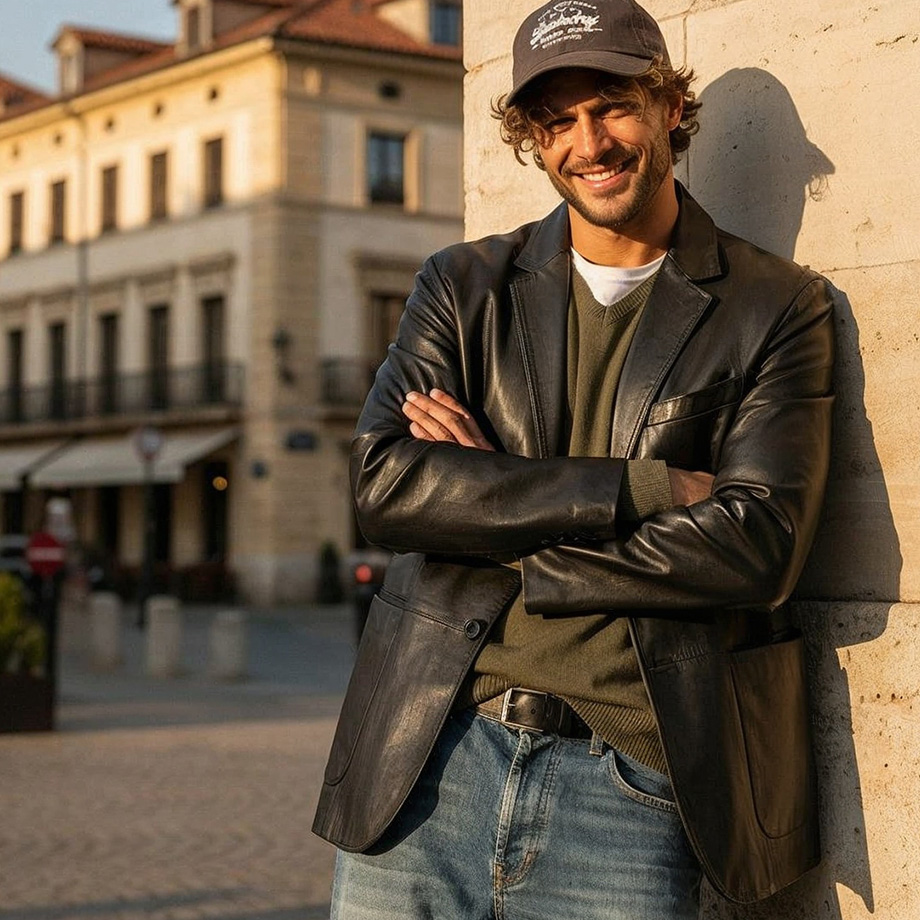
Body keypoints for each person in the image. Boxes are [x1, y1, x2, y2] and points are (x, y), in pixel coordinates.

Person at [314, 0, 834, 917]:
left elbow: (760, 545)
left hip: (631, 782)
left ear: (672, 106)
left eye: (613, 105)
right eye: (556, 121)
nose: (588, 143)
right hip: (430, 754)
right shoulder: (462, 284)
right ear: (531, 139)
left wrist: (489, 507)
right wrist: (650, 487)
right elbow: (386, 486)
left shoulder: (777, 306)